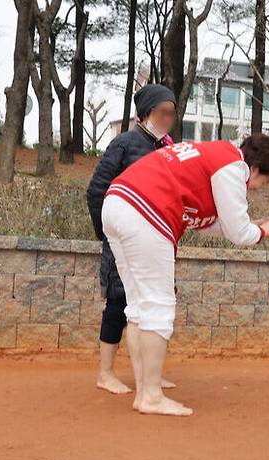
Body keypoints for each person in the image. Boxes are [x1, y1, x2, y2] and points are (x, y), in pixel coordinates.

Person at [101, 133, 269, 416]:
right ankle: (151, 395)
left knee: (138, 306)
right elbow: (239, 233)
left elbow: (211, 223)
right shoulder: (234, 166)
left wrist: (252, 226)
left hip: (118, 202)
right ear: (257, 169)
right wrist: (261, 232)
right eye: (260, 185)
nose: (254, 189)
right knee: (158, 306)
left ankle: (144, 391)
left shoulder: (213, 154)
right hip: (147, 210)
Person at [87, 84, 178, 395]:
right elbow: (97, 189)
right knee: (118, 302)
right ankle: (106, 372)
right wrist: (107, 235)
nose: (168, 118)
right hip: (123, 240)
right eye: (163, 112)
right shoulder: (124, 144)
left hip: (155, 243)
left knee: (154, 305)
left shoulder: (169, 149)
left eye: (172, 112)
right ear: (147, 112)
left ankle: (149, 374)